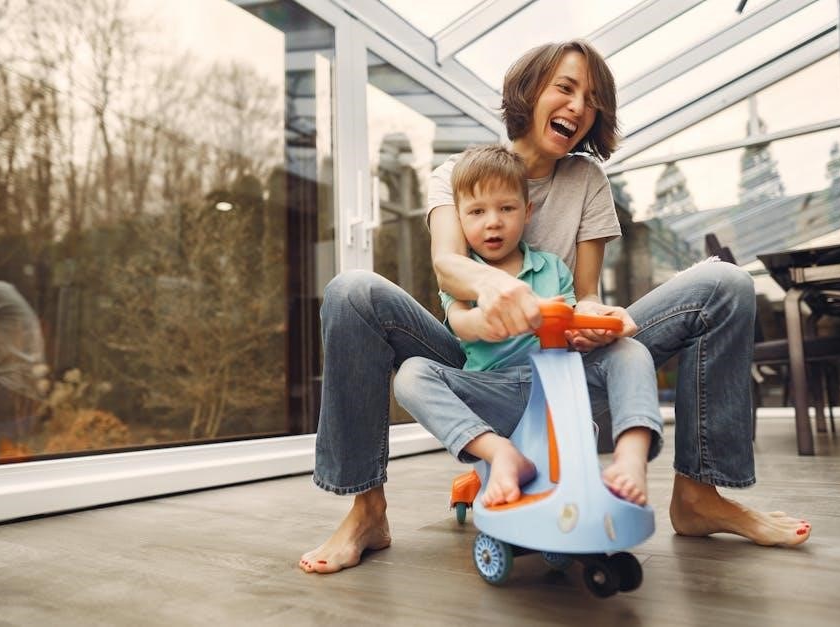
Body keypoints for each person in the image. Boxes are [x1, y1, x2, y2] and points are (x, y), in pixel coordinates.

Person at [299, 39, 811, 576]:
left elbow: (585, 292)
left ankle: (699, 497)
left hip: (562, 363)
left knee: (726, 282)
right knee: (352, 291)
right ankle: (367, 512)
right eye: (565, 88)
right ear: (529, 91)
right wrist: (492, 290)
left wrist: (594, 323)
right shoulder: (456, 173)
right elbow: (448, 266)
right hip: (474, 356)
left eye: (591, 100)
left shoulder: (587, 181)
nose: (578, 106)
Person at [394, 144, 662, 508]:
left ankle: (630, 457)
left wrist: (590, 330)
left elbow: (571, 320)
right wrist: (483, 322)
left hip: (556, 385)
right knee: (411, 375)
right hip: (490, 391)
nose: (493, 222)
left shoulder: (553, 268)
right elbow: (460, 323)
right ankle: (500, 452)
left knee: (630, 350)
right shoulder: (464, 275)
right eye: (477, 211)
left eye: (506, 208)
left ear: (527, 211)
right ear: (459, 218)